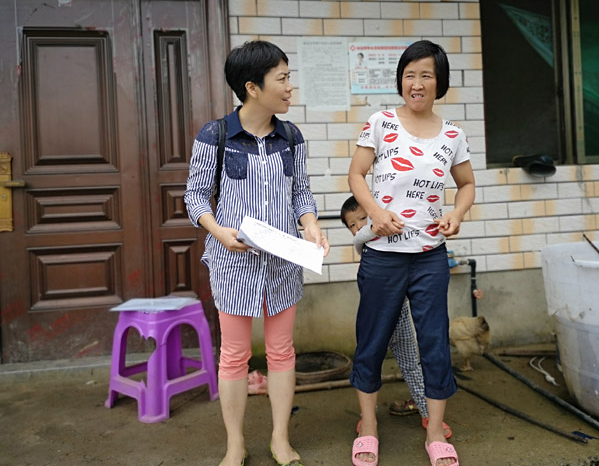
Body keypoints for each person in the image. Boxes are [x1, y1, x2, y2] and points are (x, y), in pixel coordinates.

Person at [184, 40, 330, 466]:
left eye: (289, 78)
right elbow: (195, 197)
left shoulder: (291, 136)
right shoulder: (216, 135)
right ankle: (235, 444)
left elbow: (301, 192)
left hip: (283, 262)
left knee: (282, 351)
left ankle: (280, 439)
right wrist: (218, 231)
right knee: (234, 355)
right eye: (282, 79)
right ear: (252, 87)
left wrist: (311, 225)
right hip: (233, 263)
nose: (289, 87)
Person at [348, 40, 476, 466]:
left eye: (425, 75)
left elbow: (467, 184)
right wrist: (374, 212)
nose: (416, 83)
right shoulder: (381, 123)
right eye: (409, 75)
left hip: (429, 256)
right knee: (372, 339)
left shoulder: (453, 135)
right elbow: (357, 174)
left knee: (434, 341)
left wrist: (456, 213)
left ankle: (436, 431)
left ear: (440, 82)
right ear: (400, 81)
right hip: (382, 254)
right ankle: (368, 426)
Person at [340, 195, 453, 439]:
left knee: (411, 363)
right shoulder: (370, 244)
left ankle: (427, 413)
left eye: (363, 218)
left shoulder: (387, 234)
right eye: (352, 225)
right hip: (376, 315)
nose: (359, 227)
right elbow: (360, 240)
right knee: (370, 359)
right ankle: (367, 417)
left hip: (399, 317)